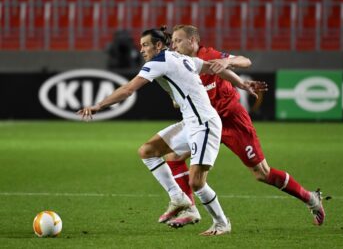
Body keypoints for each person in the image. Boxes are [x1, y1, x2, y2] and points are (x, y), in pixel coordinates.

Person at [77, 27, 252, 236]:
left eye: (145, 45)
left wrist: (99, 105)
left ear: (158, 45)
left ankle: (222, 223)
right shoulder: (180, 58)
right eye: (140, 45)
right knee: (148, 151)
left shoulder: (159, 62)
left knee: (197, 182)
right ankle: (177, 197)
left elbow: (129, 89)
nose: (141, 50)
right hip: (190, 123)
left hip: (205, 124)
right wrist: (241, 83)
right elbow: (213, 68)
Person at [161, 25, 325, 228]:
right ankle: (189, 208)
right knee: (173, 156)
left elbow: (245, 61)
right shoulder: (180, 64)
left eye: (178, 40)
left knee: (261, 173)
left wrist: (226, 61)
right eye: (173, 41)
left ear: (193, 41)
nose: (174, 45)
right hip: (203, 123)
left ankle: (310, 198)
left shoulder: (209, 54)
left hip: (232, 121)